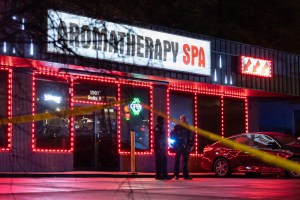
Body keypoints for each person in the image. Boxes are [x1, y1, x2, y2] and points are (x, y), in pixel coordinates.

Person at [170, 115, 195, 180]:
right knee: (177, 161)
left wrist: (192, 145)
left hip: (186, 146)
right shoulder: (177, 127)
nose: (183, 120)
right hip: (178, 146)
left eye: (184, 119)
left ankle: (185, 175)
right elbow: (171, 135)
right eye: (182, 119)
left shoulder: (188, 128)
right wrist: (175, 142)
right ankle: (176, 175)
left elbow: (192, 137)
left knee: (185, 161)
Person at [154, 116, 170, 180]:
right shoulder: (157, 128)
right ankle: (158, 175)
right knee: (159, 161)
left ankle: (164, 175)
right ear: (159, 121)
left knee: (164, 161)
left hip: (163, 147)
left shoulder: (162, 128)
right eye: (162, 120)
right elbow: (157, 138)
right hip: (159, 148)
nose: (163, 122)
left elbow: (163, 137)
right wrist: (160, 146)